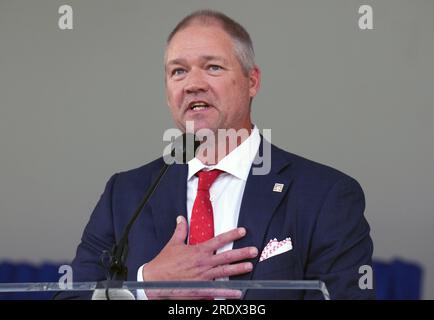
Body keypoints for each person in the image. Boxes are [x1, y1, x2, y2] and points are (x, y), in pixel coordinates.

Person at [63, 10, 375, 300]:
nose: (193, 84)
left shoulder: (325, 195)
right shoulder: (125, 195)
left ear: (252, 81)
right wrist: (145, 286)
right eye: (178, 71)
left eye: (213, 67)